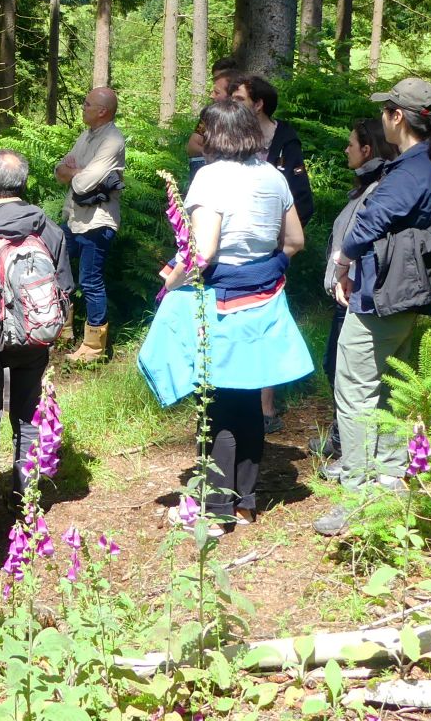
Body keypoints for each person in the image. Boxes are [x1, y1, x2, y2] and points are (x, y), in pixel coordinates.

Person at [160, 100, 310, 536]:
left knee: (218, 401)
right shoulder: (273, 176)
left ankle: (213, 510)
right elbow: (295, 241)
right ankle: (244, 504)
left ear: (215, 135)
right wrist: (267, 269)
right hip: (264, 299)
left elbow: (203, 253)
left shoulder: (210, 177)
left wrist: (169, 284)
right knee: (246, 399)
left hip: (221, 303)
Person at [318, 79, 431, 537]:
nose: (381, 119)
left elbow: (372, 220)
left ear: (398, 117)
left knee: (354, 386)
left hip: (385, 294)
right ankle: (393, 477)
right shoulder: (427, 165)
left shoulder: (412, 171)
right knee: (390, 381)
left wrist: (342, 260)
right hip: (402, 292)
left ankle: (357, 494)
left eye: (385, 111)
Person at [0, 149, 74, 506]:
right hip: (35, 336)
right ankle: (24, 499)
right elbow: (65, 287)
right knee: (29, 416)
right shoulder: (49, 228)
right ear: (24, 184)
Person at [230, 74, 314, 433]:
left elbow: (301, 198)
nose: (233, 104)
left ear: (258, 103)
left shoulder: (285, 140)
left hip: (275, 251)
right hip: (236, 249)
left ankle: (266, 407)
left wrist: (283, 243)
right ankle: (233, 397)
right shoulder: (232, 138)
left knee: (266, 323)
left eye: (239, 98)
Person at [314, 119, 397, 464]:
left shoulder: (378, 189)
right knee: (336, 367)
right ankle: (349, 443)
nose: (346, 149)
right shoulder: (366, 186)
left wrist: (344, 275)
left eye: (351, 144)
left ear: (367, 150)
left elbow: (364, 239)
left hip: (358, 294)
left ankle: (354, 453)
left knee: (349, 374)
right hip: (348, 292)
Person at [55, 87, 125, 363]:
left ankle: (94, 348)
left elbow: (81, 183)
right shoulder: (86, 135)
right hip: (73, 217)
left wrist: (76, 173)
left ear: (102, 111)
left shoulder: (112, 141)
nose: (83, 107)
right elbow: (60, 171)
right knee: (57, 267)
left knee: (90, 281)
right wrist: (76, 172)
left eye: (87, 104)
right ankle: (64, 329)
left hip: (98, 222)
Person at [186, 56, 242, 174]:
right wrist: (216, 157)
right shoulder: (209, 114)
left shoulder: (250, 117)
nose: (212, 95)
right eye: (215, 79)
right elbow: (192, 146)